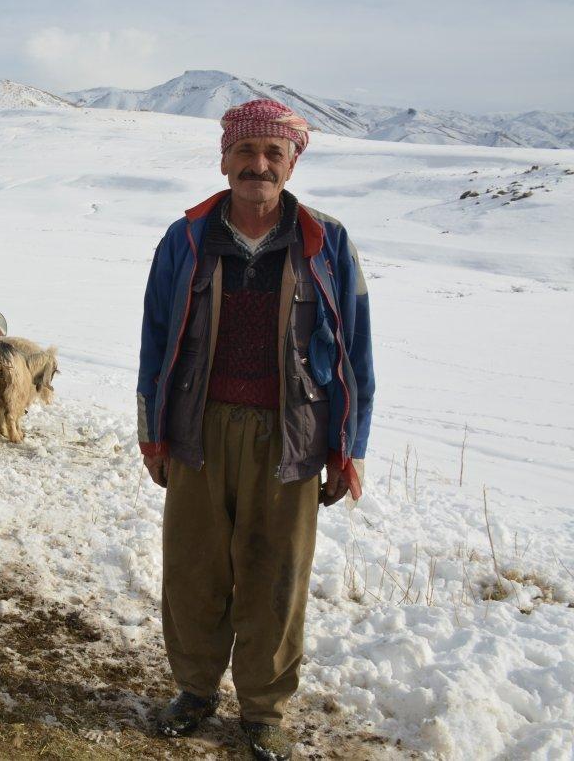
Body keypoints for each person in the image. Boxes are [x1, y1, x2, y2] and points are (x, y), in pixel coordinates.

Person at [136, 99, 374, 760]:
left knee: (276, 576)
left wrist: (348, 448)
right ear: (225, 159)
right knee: (193, 571)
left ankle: (264, 710)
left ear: (292, 162)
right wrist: (151, 431)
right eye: (246, 152)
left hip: (289, 438)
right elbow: (156, 341)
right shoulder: (185, 239)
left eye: (273, 154)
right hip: (197, 429)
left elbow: (355, 353)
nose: (258, 165)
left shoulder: (327, 242)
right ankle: (194, 690)